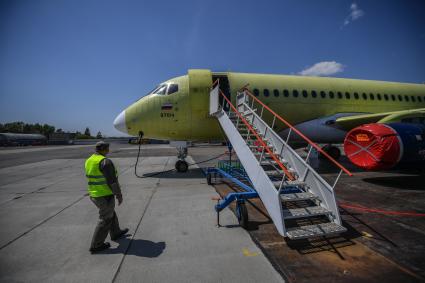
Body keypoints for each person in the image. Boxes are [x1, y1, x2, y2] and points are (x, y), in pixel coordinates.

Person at [85, 141, 128, 253]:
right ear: (104, 149)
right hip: (104, 195)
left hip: (94, 194)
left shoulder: (89, 160)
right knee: (106, 218)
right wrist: (119, 195)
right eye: (108, 148)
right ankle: (96, 245)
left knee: (110, 213)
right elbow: (112, 181)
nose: (109, 150)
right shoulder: (105, 162)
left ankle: (116, 232)